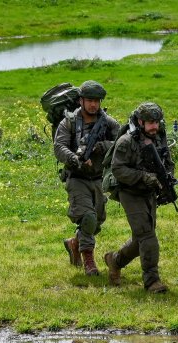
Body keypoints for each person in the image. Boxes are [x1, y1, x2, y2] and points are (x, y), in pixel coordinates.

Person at [103, 102, 175, 293]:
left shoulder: (158, 137)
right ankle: (152, 281)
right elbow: (118, 169)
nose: (154, 126)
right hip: (130, 192)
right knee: (147, 236)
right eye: (150, 122)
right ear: (141, 121)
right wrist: (144, 177)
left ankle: (115, 260)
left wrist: (166, 178)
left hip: (149, 192)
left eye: (157, 122)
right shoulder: (126, 141)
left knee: (140, 239)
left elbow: (167, 160)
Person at [53, 80, 120, 276]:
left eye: (97, 101)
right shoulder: (69, 122)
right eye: (90, 100)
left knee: (96, 222)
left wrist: (102, 147)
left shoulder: (108, 123)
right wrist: (75, 158)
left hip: (99, 178)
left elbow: (122, 142)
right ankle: (89, 261)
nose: (93, 105)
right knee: (88, 218)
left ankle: (74, 242)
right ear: (81, 101)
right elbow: (59, 147)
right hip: (77, 177)